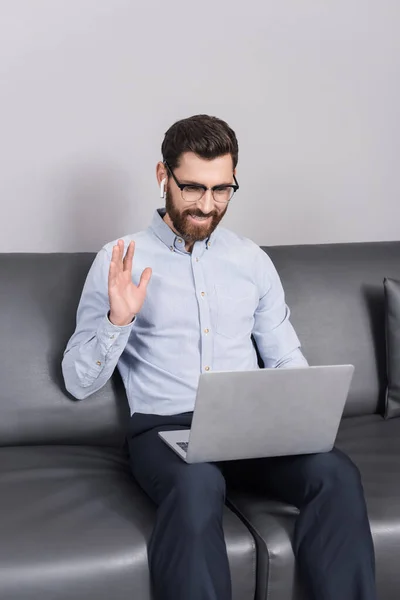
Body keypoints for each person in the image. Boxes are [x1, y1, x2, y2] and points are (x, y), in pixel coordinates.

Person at [62, 114, 377, 600]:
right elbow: (77, 381)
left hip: (253, 428)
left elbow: (283, 356)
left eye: (222, 190)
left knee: (335, 474)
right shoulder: (120, 258)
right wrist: (117, 321)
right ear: (163, 175)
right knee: (196, 487)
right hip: (165, 432)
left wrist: (304, 416)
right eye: (192, 188)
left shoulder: (251, 260)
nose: (207, 206)